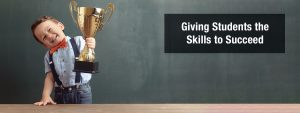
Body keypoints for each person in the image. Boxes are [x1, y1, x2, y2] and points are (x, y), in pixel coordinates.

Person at [31, 16, 95, 105]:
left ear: (60, 26)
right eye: (44, 37)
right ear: (45, 45)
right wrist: (45, 95)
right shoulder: (48, 56)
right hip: (60, 94)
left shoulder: (78, 41)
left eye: (49, 29)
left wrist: (90, 45)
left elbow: (88, 63)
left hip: (81, 92)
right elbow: (50, 77)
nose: (49, 36)